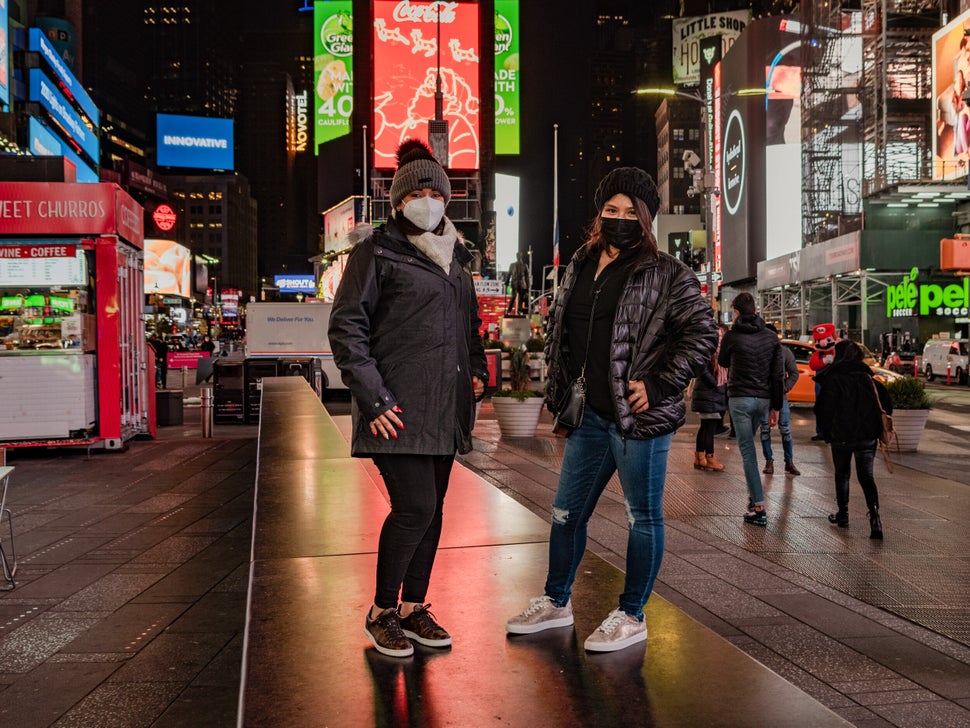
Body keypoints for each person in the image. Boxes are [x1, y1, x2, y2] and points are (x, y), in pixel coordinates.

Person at [505, 167, 717, 652]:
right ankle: (557, 602)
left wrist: (662, 383)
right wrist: (559, 397)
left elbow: (703, 333)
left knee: (642, 518)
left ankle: (631, 613)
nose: (620, 219)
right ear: (599, 214)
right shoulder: (579, 263)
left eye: (630, 212)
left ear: (645, 218)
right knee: (564, 513)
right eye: (611, 210)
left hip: (639, 420)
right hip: (589, 418)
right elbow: (564, 338)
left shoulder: (666, 274)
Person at [329, 139, 488, 658]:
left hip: (444, 407)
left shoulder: (457, 262)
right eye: (415, 192)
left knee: (434, 509)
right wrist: (373, 399)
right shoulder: (374, 252)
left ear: (447, 198)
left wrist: (480, 372)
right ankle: (382, 612)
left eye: (434, 191)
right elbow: (347, 327)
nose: (426, 199)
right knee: (415, 507)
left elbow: (470, 326)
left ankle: (415, 606)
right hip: (394, 410)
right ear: (397, 203)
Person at [717, 293, 783, 526]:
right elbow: (777, 375)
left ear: (736, 312)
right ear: (755, 310)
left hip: (740, 399)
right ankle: (753, 496)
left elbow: (723, 362)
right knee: (750, 447)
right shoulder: (771, 337)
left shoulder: (732, 337)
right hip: (763, 400)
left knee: (747, 453)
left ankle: (758, 507)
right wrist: (776, 407)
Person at [813, 339, 889, 539]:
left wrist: (828, 433)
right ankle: (875, 517)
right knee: (866, 477)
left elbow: (823, 409)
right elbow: (886, 404)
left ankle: (843, 515)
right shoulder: (868, 379)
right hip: (867, 436)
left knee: (842, 474)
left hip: (841, 436)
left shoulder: (832, 378)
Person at [761, 325, 800, 476]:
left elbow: (794, 373)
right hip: (764, 396)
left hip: (780, 396)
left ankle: (789, 461)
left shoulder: (784, 352)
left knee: (785, 429)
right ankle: (769, 461)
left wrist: (784, 388)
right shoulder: (760, 352)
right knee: (765, 429)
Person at [691, 323, 728, 472]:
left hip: (710, 393)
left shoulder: (715, 352)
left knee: (705, 426)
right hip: (709, 392)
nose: (721, 338)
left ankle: (699, 457)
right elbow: (702, 370)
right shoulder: (708, 351)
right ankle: (710, 458)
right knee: (709, 428)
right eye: (720, 335)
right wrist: (715, 383)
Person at [810, 323, 837, 441]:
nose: (823, 343)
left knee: (833, 407)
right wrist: (824, 361)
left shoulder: (836, 352)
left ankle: (832, 431)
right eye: (819, 339)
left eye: (826, 339)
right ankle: (820, 431)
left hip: (834, 384)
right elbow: (813, 365)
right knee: (820, 407)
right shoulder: (817, 354)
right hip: (820, 385)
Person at [505, 251, 531, 315]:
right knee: (513, 297)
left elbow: (527, 276)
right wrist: (507, 282)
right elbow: (509, 274)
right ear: (516, 257)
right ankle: (509, 311)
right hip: (514, 283)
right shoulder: (512, 265)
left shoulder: (525, 266)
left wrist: (528, 285)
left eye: (519, 256)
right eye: (518, 256)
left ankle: (520, 311)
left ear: (521, 256)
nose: (519, 257)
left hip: (522, 284)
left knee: (521, 298)